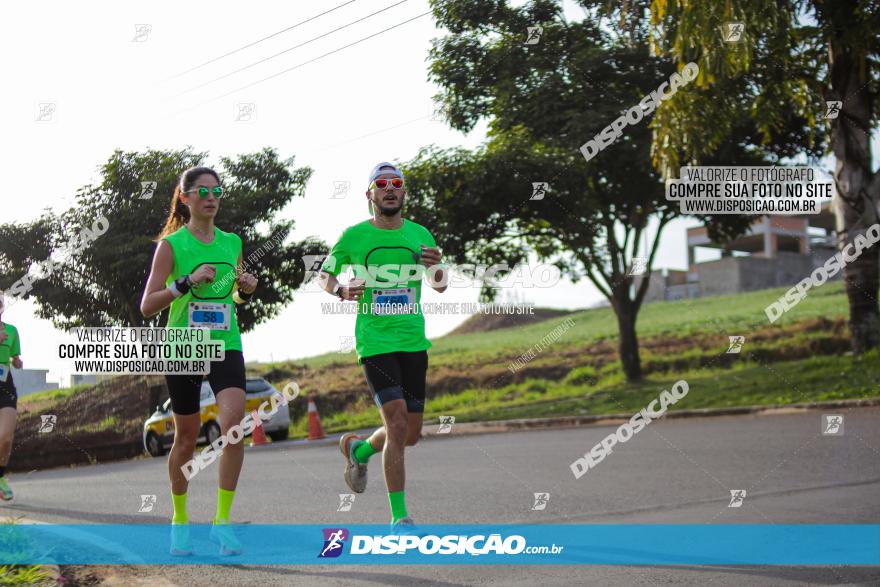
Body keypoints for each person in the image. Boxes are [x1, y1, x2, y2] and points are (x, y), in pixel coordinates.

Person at [319, 162, 447, 532]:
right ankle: (399, 516)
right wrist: (341, 290)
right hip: (374, 342)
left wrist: (437, 266)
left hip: (412, 341)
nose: (390, 188)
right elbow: (324, 274)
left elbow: (439, 285)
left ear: (404, 193)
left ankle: (359, 451)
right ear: (370, 195)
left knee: (410, 434)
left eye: (396, 184)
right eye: (381, 184)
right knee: (396, 421)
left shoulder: (420, 234)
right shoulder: (354, 236)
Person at [141, 166, 257, 556]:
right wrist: (186, 282)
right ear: (185, 198)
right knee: (187, 437)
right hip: (184, 344)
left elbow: (233, 300)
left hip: (226, 342)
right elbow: (147, 305)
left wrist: (245, 291)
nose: (211, 197)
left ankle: (222, 522)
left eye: (217, 190)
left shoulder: (232, 243)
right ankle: (179, 520)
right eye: (202, 191)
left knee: (234, 427)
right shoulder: (171, 246)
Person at [0, 292, 22, 501]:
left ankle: (0, 478)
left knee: (6, 437)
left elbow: (15, 357)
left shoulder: (11, 331)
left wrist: (17, 362)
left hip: (5, 385)